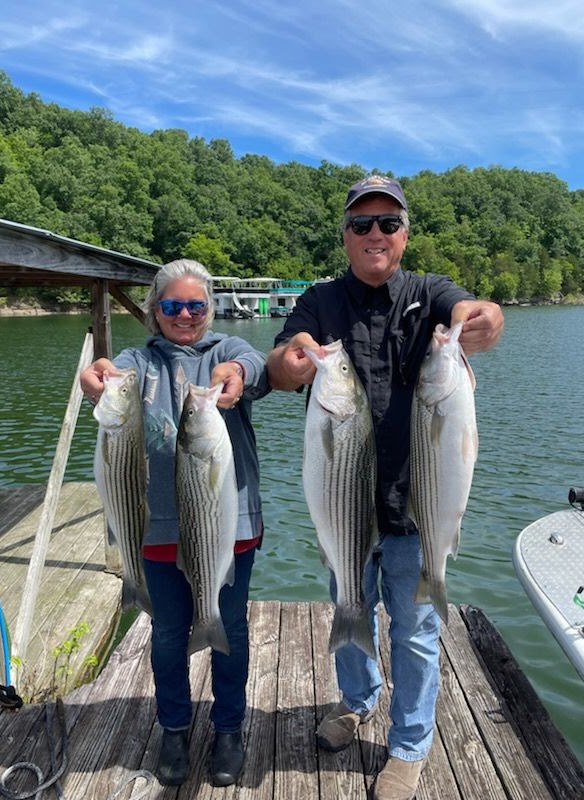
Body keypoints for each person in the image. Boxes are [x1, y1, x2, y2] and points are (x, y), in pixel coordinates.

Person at [266, 175, 504, 800]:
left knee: (416, 631)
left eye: (388, 224)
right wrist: (292, 362)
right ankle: (357, 702)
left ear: (404, 235)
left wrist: (483, 317)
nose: (376, 233)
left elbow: (469, 309)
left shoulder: (428, 294)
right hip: (344, 506)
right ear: (345, 235)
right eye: (362, 224)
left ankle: (409, 746)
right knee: (350, 610)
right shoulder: (319, 301)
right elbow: (283, 365)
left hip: (414, 507)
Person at [80, 259, 270, 788]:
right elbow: (108, 377)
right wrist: (95, 378)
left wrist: (238, 376)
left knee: (229, 627)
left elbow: (254, 366)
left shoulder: (228, 349)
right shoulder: (138, 360)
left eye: (196, 305)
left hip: (228, 525)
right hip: (158, 529)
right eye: (172, 306)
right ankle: (174, 727)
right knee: (166, 633)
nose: (185, 315)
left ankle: (229, 728)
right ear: (154, 311)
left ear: (210, 309)